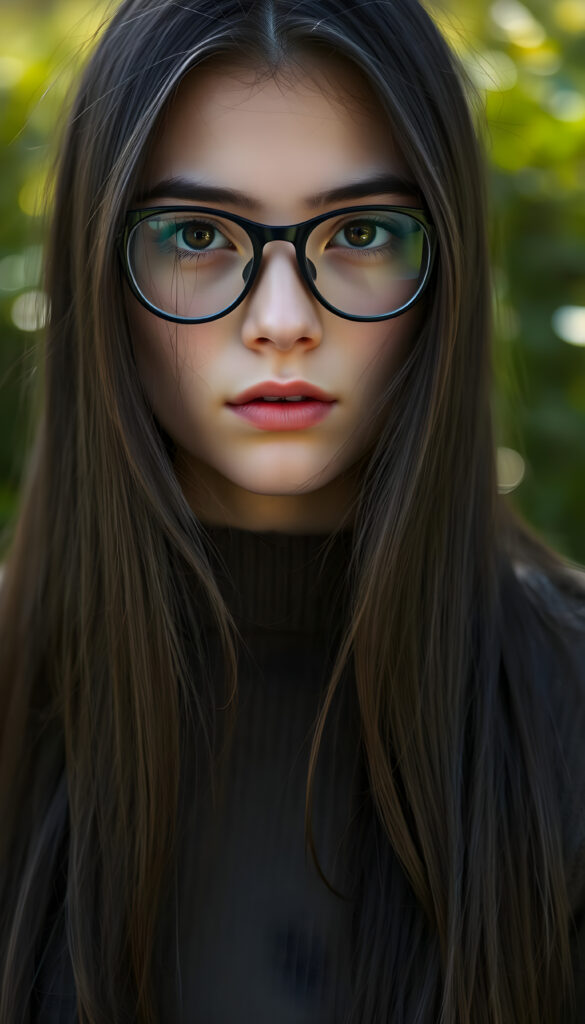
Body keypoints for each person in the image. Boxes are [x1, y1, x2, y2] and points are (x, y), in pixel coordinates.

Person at [0, 0, 584, 1020]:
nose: (283, 320)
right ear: (98, 276)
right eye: (194, 234)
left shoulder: (568, 708)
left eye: (360, 232)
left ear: (445, 266)